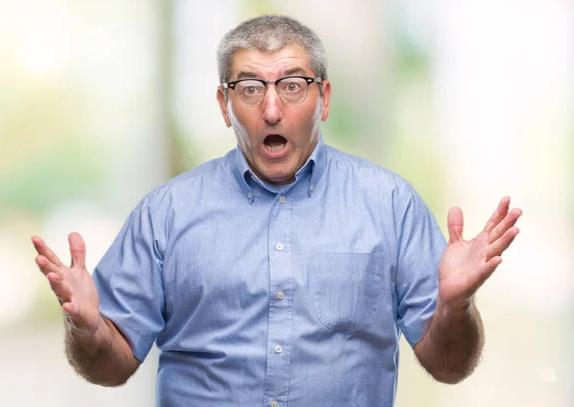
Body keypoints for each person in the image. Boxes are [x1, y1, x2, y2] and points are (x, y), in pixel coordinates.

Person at [31, 15, 522, 407]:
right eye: (249, 88)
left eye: (292, 85)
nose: (271, 110)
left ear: (323, 98)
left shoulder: (391, 205)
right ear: (225, 105)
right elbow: (112, 367)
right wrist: (88, 330)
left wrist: (455, 306)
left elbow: (448, 365)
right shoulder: (165, 214)